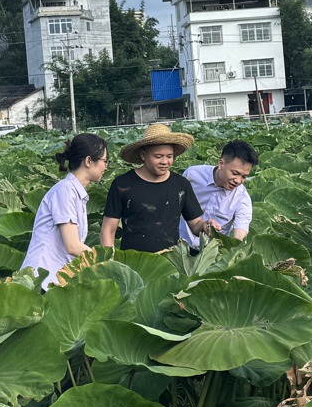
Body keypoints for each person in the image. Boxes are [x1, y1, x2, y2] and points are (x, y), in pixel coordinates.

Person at [100, 124, 211, 253]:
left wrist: (205, 226)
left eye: (169, 156)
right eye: (158, 157)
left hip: (171, 261)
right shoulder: (122, 184)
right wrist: (108, 263)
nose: (165, 161)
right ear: (143, 155)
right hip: (132, 264)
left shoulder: (181, 184)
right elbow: (108, 230)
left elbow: (195, 225)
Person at [21, 134, 108, 290]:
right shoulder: (65, 190)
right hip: (39, 280)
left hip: (54, 278)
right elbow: (73, 246)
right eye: (104, 161)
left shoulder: (74, 192)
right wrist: (104, 261)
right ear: (89, 161)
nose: (106, 167)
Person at [179, 140, 258, 248]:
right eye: (235, 173)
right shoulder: (192, 175)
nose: (238, 181)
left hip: (210, 254)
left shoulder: (242, 198)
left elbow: (240, 232)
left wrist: (236, 248)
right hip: (178, 244)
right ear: (221, 164)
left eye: (244, 176)